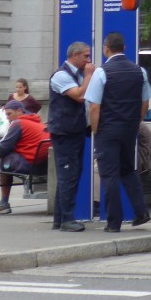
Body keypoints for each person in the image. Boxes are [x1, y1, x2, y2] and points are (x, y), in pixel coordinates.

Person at [86, 32, 151, 232]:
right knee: (127, 171)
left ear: (106, 49)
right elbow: (145, 102)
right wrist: (135, 122)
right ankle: (141, 212)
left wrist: (96, 130)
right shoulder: (139, 71)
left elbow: (94, 107)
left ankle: (114, 222)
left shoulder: (101, 73)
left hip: (107, 130)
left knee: (109, 175)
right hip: (129, 129)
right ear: (124, 48)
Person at [48, 41, 94, 231]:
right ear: (74, 56)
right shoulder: (61, 75)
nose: (88, 60)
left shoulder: (76, 75)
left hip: (74, 131)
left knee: (70, 175)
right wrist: (89, 76)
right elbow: (79, 96)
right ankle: (67, 219)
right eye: (85, 56)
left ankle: (60, 218)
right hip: (65, 132)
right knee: (68, 175)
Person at [0, 99, 50, 214]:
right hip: (45, 165)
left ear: (19, 111)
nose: (7, 117)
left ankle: (4, 203)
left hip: (31, 166)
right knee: (9, 154)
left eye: (9, 114)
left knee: (5, 159)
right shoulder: (37, 122)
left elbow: (3, 148)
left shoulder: (19, 123)